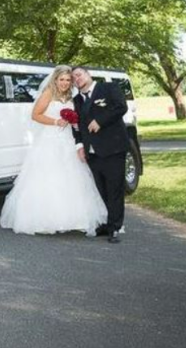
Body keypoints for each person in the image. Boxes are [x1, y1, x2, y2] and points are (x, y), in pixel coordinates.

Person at [0, 65, 107, 236]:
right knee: (49, 176)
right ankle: (45, 219)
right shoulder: (48, 93)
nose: (65, 83)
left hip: (69, 140)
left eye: (68, 80)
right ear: (55, 79)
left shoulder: (73, 96)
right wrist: (56, 122)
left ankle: (74, 219)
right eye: (61, 79)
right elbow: (36, 115)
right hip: (50, 140)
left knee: (72, 177)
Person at [72, 65, 129, 243]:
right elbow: (78, 126)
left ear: (88, 75)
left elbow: (121, 107)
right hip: (92, 153)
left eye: (79, 75)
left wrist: (100, 121)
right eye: (74, 78)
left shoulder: (108, 88)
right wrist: (80, 145)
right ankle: (105, 223)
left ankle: (115, 228)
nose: (77, 79)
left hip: (113, 148)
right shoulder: (77, 100)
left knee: (115, 189)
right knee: (100, 190)